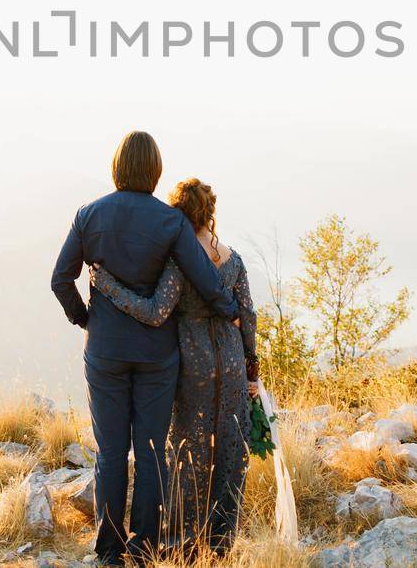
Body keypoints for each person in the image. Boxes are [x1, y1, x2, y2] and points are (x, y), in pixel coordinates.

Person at [51, 132, 238, 565]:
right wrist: (231, 310)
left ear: (115, 166)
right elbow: (205, 280)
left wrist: (87, 319)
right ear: (155, 170)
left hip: (105, 353)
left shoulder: (88, 214)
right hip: (157, 356)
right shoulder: (169, 222)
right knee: (153, 452)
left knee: (111, 451)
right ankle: (144, 548)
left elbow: (61, 280)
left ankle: (109, 550)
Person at [88, 178, 259, 555]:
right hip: (230, 364)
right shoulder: (234, 259)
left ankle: (181, 543)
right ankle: (220, 545)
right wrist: (253, 376)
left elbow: (155, 312)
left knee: (186, 454)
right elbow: (248, 316)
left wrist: (108, 286)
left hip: (193, 367)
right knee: (229, 452)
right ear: (210, 211)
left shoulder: (180, 261)